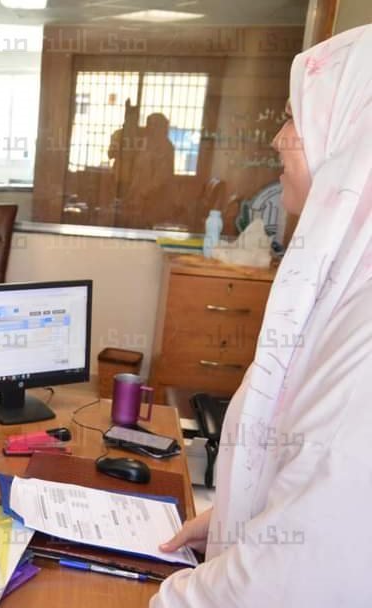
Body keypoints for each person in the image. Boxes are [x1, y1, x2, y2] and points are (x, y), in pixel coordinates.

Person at [152, 24, 372, 606]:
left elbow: (294, 576)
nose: (278, 138)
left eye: (295, 117)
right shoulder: (347, 284)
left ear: (352, 133)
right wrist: (232, 520)